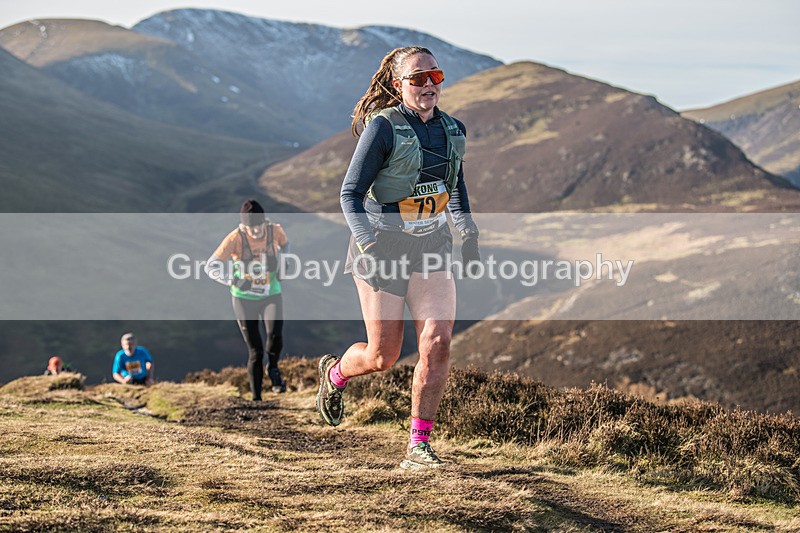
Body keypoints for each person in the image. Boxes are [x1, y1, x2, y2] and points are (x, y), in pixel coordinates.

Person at [316, 46, 481, 469]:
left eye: (435, 76)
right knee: (382, 356)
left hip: (431, 245)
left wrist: (466, 230)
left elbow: (454, 187)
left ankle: (418, 446)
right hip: (382, 247)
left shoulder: (453, 129)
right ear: (398, 85)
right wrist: (368, 243)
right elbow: (349, 194)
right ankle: (335, 374)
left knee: (438, 342)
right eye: (418, 78)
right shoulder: (383, 129)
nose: (429, 85)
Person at [205, 199, 290, 400]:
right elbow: (210, 266)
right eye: (252, 228)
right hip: (243, 298)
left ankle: (274, 369)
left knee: (275, 336)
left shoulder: (274, 231)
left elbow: (286, 246)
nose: (257, 232)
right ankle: (257, 398)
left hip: (271, 293)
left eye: (260, 226)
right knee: (256, 351)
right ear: (244, 226)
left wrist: (282, 266)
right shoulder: (235, 238)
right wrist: (232, 280)